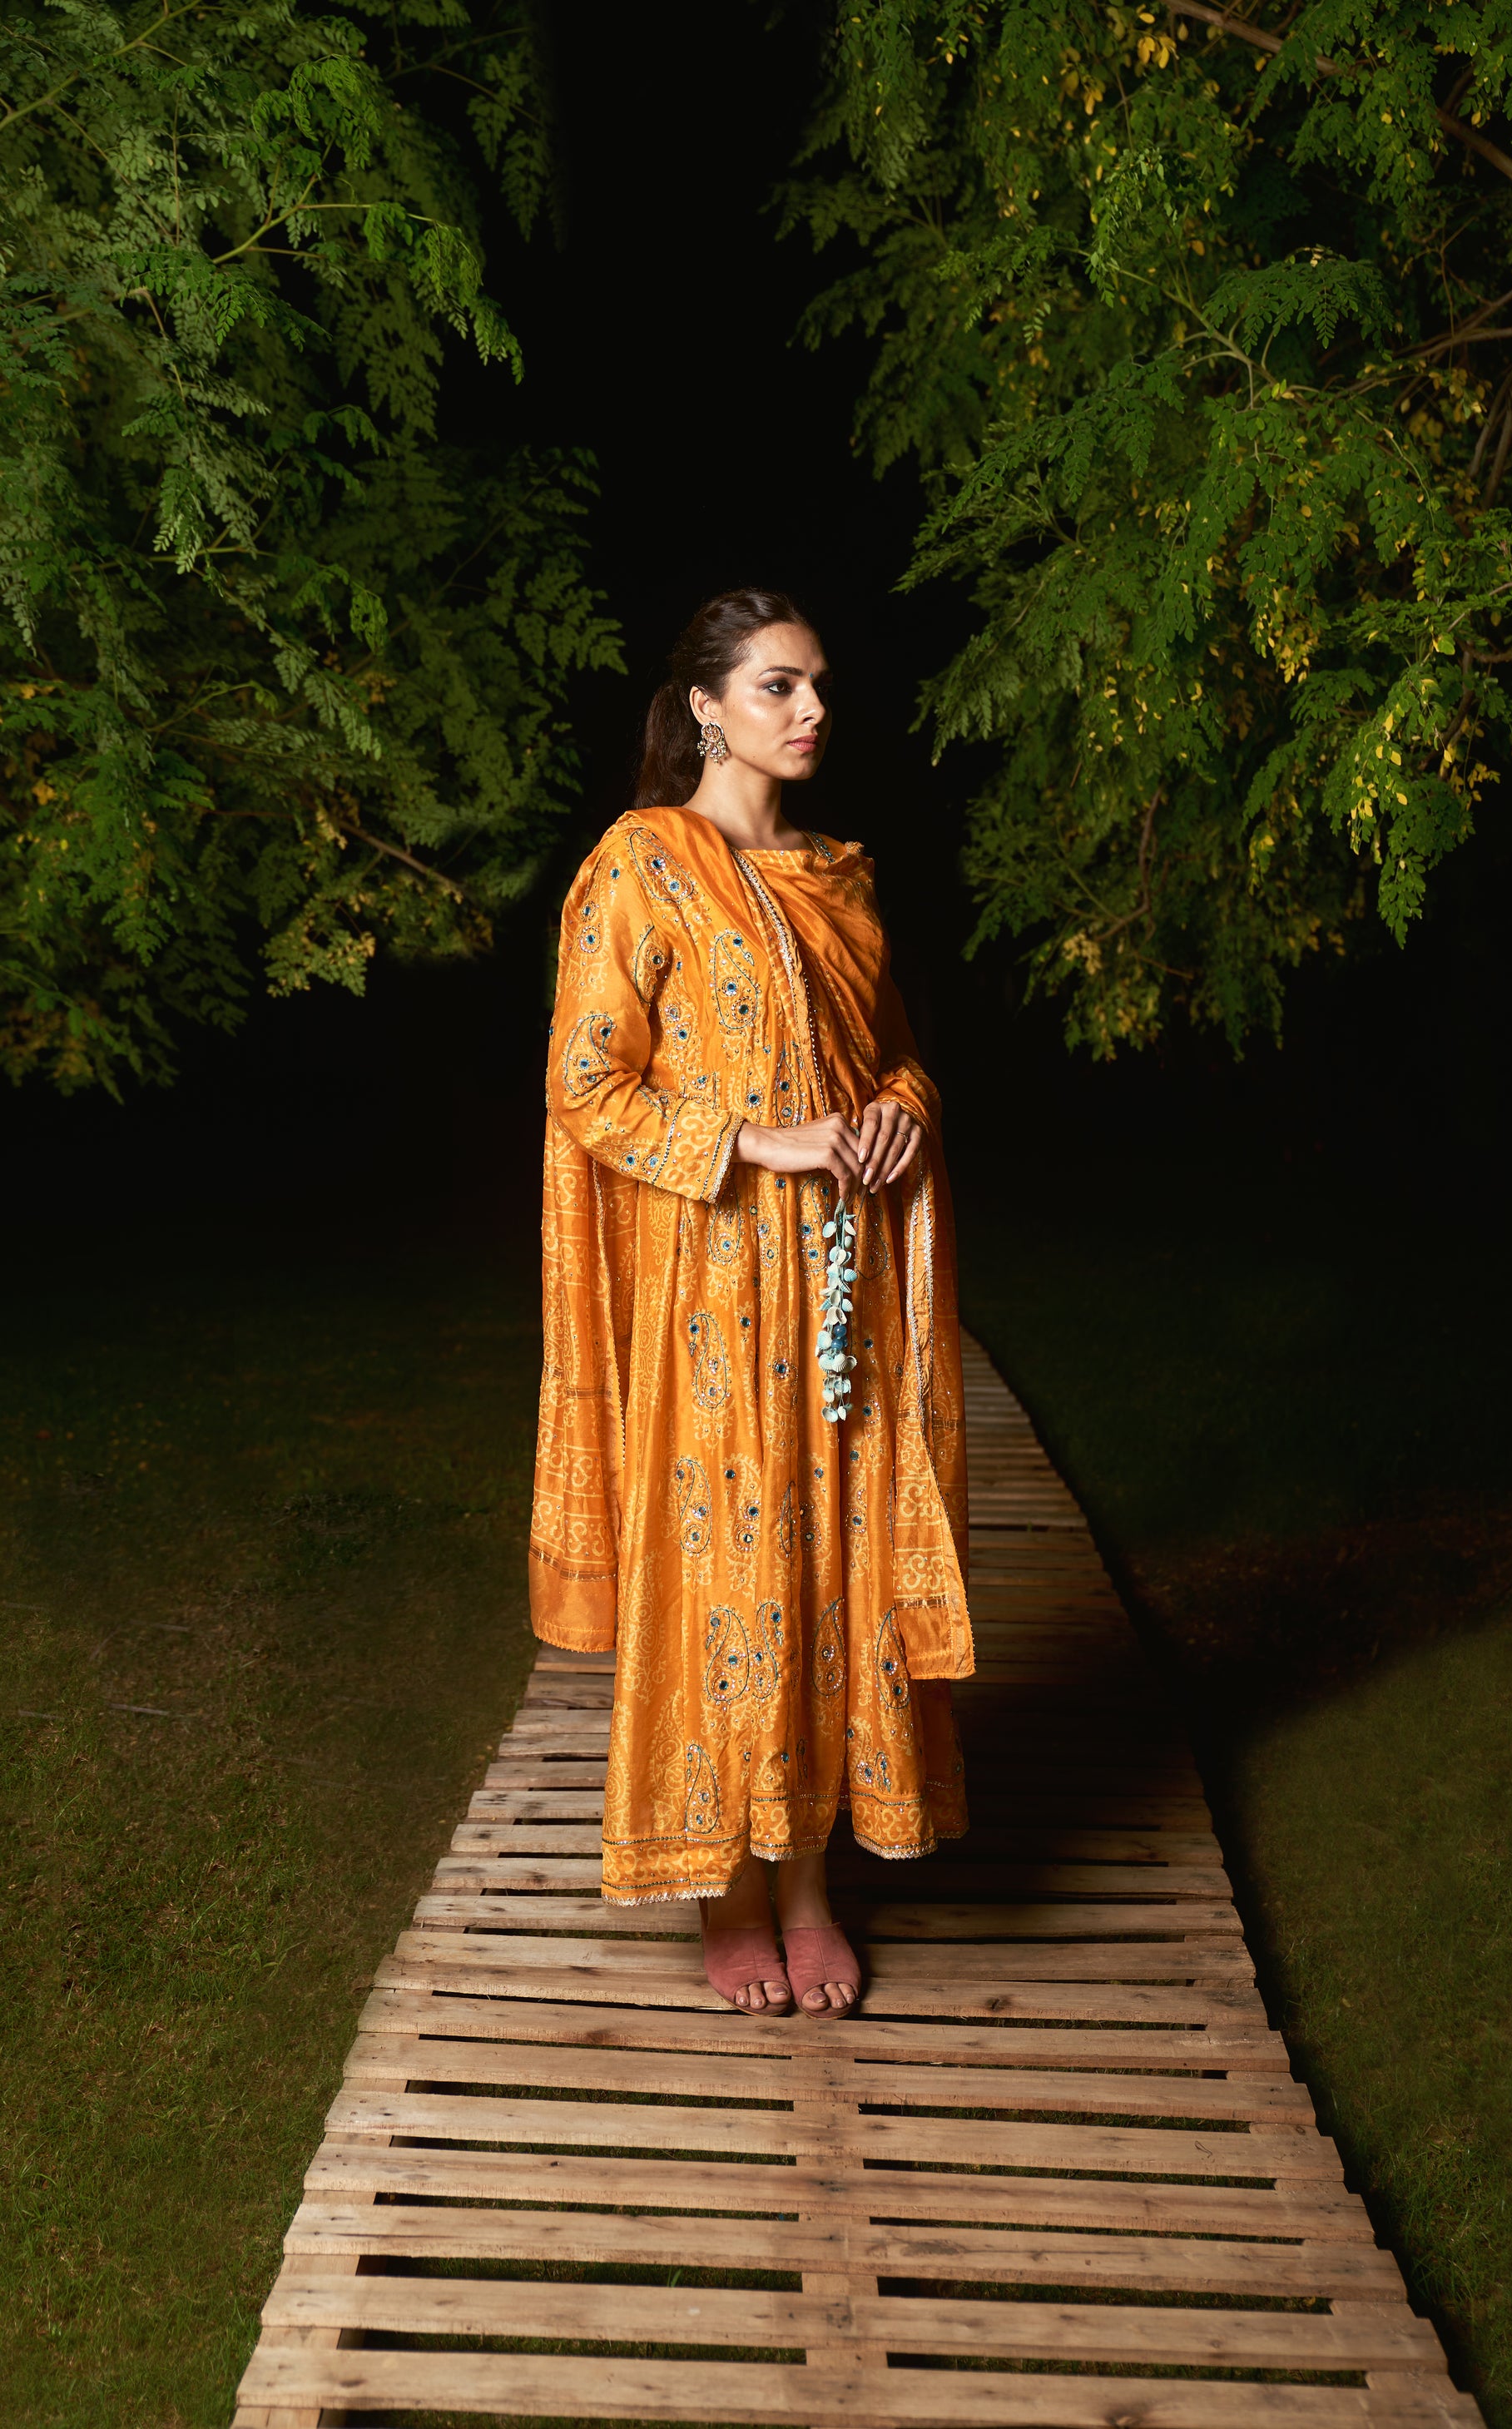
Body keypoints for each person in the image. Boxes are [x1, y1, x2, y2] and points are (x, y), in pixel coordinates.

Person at [528, 587, 972, 2017]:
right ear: (704, 709)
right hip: (709, 1285)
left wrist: (899, 1112)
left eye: (817, 683)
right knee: (728, 1573)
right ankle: (724, 1888)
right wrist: (761, 1142)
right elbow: (587, 1085)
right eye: (778, 685)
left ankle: (807, 1886)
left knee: (833, 1570)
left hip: (843, 1286)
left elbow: (895, 1059)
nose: (811, 708)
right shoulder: (641, 865)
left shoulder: (837, 876)